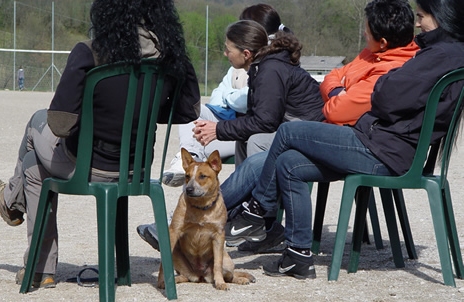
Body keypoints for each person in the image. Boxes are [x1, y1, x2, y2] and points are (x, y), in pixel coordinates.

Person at [226, 0, 464, 279]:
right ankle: (297, 256)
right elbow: (377, 90)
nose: (417, 24)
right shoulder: (440, 53)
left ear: (442, 18)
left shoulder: (441, 55)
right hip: (381, 144)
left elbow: (384, 95)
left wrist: (375, 88)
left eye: (422, 17)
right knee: (289, 162)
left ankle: (258, 209)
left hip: (382, 150)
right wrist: (371, 89)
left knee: (289, 132)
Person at [0, 0, 200, 288]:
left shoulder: (89, 52)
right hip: (137, 168)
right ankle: (34, 255)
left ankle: (16, 216)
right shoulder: (172, 57)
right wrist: (140, 108)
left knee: (36, 126)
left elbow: (59, 124)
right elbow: (187, 111)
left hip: (88, 166)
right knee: (33, 168)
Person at [162, 3, 297, 187]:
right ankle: (191, 163)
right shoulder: (240, 61)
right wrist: (229, 98)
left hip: (247, 130)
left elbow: (246, 101)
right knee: (192, 111)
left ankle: (203, 197)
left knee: (201, 154)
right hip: (232, 123)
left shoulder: (270, 65)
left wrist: (229, 97)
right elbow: (219, 95)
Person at [193, 19, 324, 166]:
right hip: (295, 128)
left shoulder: (270, 71)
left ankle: (261, 190)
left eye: (228, 50)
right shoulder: (261, 68)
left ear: (246, 54)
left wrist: (218, 129)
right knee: (244, 138)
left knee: (258, 141)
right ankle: (244, 188)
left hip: (313, 136)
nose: (225, 54)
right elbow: (260, 119)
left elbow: (265, 122)